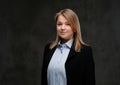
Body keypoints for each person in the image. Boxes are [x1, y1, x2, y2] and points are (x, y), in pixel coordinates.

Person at [41, 8, 95, 85]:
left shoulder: (85, 51)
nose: (62, 28)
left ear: (75, 28)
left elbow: (90, 82)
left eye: (68, 24)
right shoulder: (49, 48)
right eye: (59, 24)